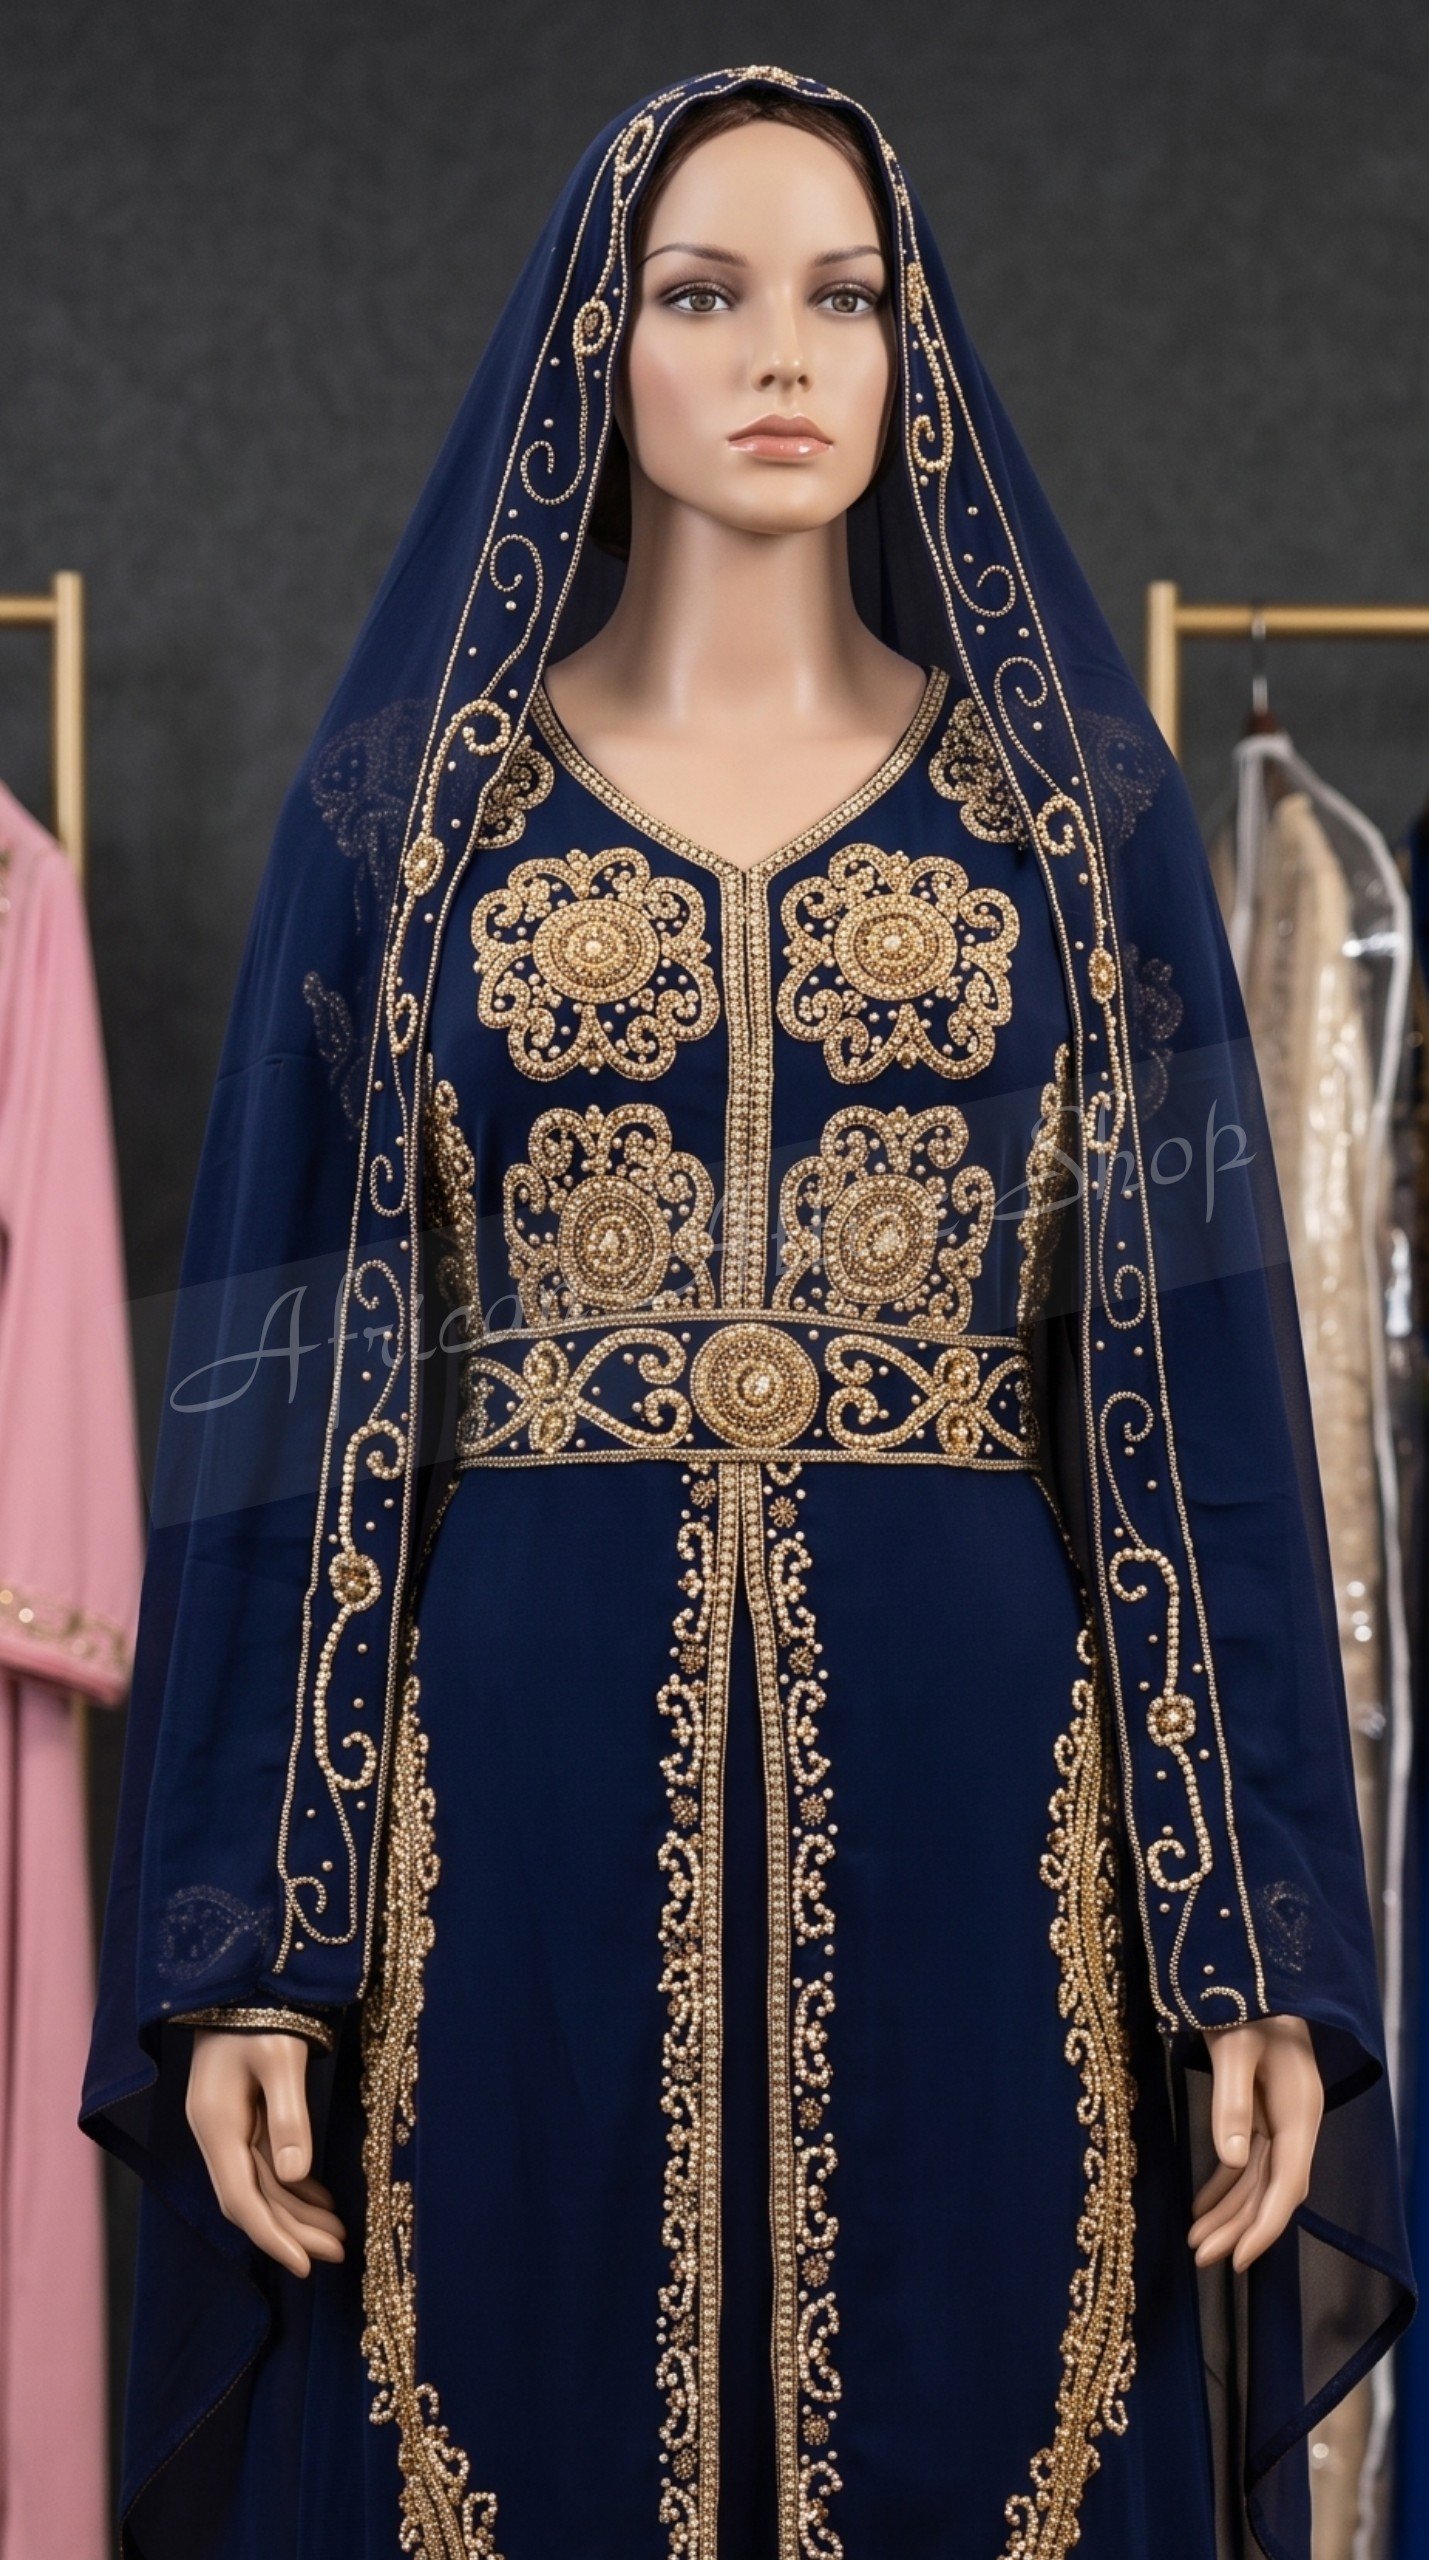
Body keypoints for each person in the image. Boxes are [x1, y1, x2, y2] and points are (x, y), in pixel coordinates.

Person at [83, 67, 1413, 2560]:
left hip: (987, 1781)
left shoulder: (1082, 826)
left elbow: (1203, 1408)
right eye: (701, 295)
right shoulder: (401, 823)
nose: (780, 354)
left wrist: (1252, 1928)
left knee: (992, 2386)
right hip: (508, 1782)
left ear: (915, 351)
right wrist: (247, 1941)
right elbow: (282, 1398)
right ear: (598, 345)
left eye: (843, 297)